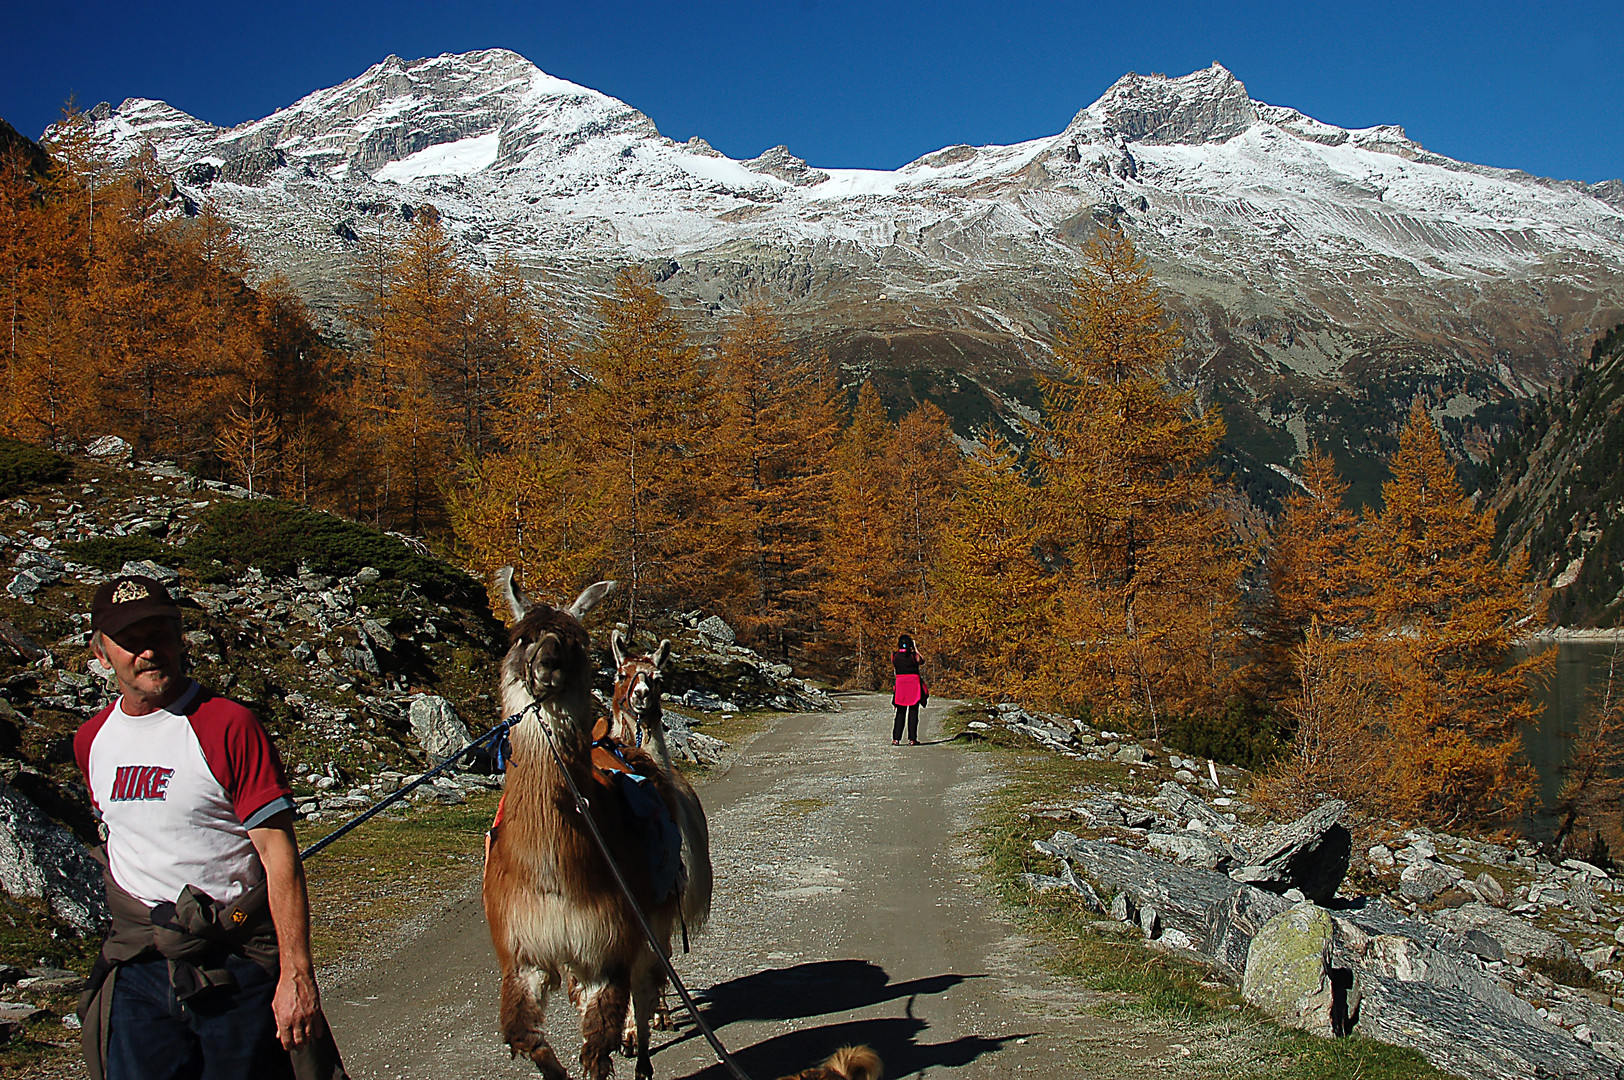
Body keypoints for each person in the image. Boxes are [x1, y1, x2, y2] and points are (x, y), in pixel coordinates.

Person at [72, 574, 344, 1080]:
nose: (149, 651)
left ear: (181, 639)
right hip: (138, 969)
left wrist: (297, 976)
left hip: (235, 966)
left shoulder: (228, 725)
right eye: (131, 641)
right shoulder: (92, 742)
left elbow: (279, 857)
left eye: (161, 633)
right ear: (101, 651)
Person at [891, 634, 927, 746]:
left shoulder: (895, 656)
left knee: (900, 712)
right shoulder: (913, 656)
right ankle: (912, 739)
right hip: (913, 684)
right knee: (913, 712)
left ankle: (896, 739)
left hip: (901, 684)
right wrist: (915, 648)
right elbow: (922, 661)